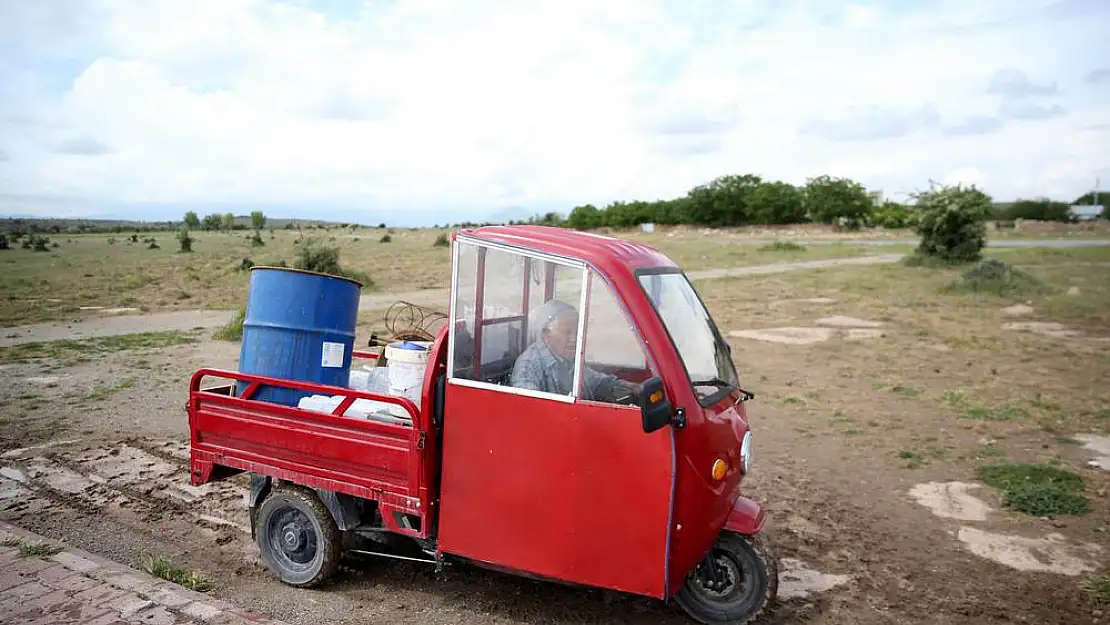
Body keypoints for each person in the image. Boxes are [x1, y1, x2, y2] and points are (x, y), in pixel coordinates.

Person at [510, 298, 640, 403]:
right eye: (567, 332)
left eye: (577, 332)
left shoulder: (568, 359)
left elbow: (598, 383)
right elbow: (527, 408)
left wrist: (634, 388)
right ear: (546, 335)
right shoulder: (528, 366)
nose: (574, 339)